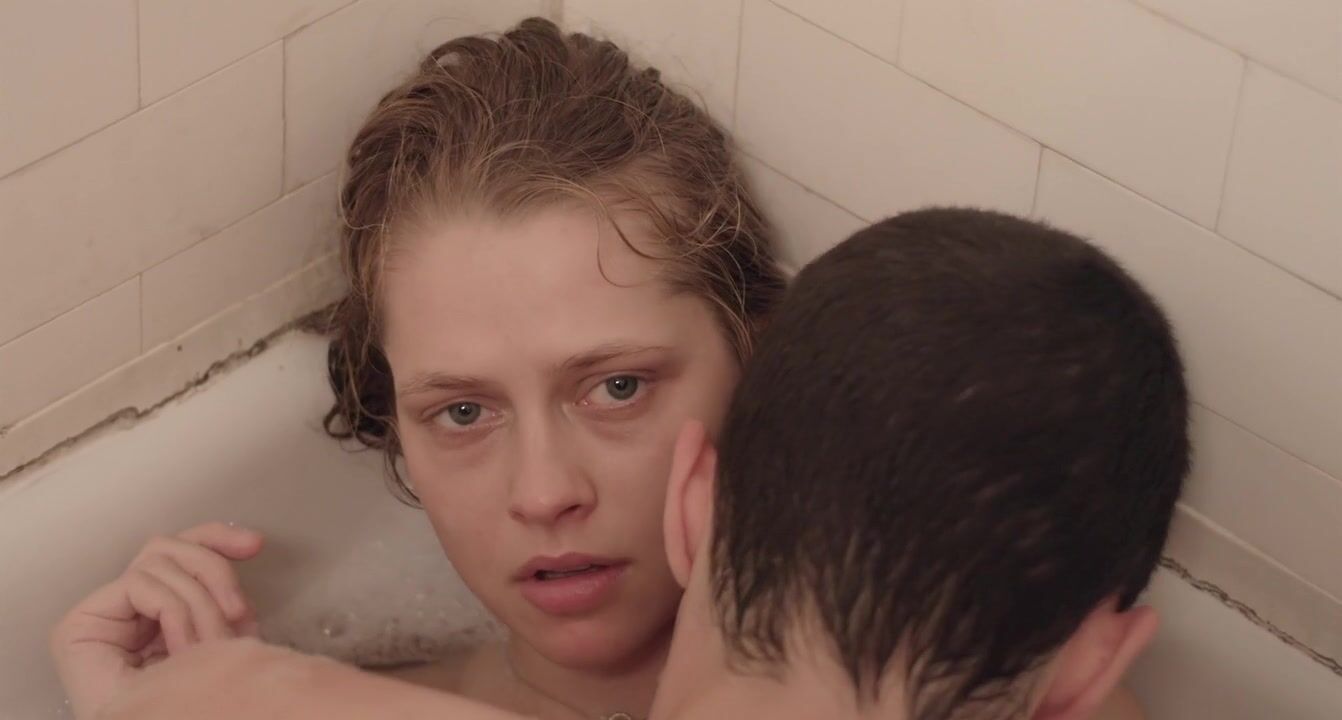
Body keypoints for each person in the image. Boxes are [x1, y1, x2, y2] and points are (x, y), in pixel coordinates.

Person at [87, 208, 1187, 720]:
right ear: (1089, 671)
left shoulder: (250, 707)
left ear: (694, 502)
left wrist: (128, 697)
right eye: (461, 410)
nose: (546, 492)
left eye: (617, 387)